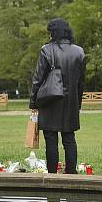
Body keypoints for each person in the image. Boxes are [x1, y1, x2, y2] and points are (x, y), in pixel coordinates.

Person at [29, 18, 87, 174]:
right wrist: (78, 103)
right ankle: (71, 173)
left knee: (51, 139)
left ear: (53, 32)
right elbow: (81, 82)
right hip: (71, 101)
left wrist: (33, 103)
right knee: (69, 138)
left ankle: (52, 174)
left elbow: (37, 79)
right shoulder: (79, 51)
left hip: (50, 100)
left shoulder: (46, 50)